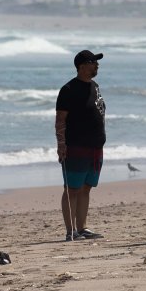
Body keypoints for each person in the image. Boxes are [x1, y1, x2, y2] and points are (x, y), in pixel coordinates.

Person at [55, 49, 106, 241]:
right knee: (72, 189)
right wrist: (61, 144)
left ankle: (82, 227)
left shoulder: (95, 86)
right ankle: (71, 231)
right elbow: (60, 120)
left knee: (86, 187)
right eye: (93, 62)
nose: (97, 65)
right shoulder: (68, 90)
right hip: (75, 147)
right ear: (82, 66)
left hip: (95, 147)